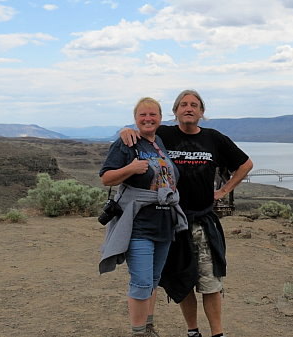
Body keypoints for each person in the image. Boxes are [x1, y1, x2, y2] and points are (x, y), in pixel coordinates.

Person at [121, 89, 253, 337]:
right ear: (175, 111)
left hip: (203, 221)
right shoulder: (163, 134)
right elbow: (140, 133)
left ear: (202, 112)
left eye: (194, 105)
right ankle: (193, 331)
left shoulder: (214, 138)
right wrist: (125, 131)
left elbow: (245, 164)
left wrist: (223, 190)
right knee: (183, 280)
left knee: (210, 283)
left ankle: (217, 333)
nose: (188, 108)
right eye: (183, 104)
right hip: (171, 221)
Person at [99, 97, 188, 337]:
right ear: (135, 118)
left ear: (160, 118)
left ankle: (148, 328)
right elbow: (106, 178)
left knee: (153, 279)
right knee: (140, 281)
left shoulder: (159, 140)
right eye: (142, 115)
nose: (148, 119)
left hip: (164, 223)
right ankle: (138, 333)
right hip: (138, 224)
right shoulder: (126, 142)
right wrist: (130, 168)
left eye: (152, 115)